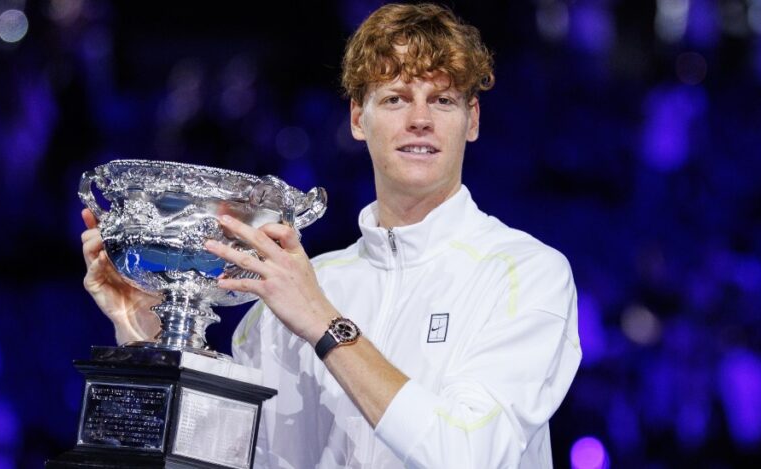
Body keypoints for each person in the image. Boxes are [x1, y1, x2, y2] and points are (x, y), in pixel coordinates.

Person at [80, 3, 581, 468]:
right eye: (396, 98)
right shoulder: (291, 292)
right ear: (357, 119)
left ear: (471, 120)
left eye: (443, 100)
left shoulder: (526, 275)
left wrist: (324, 322)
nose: (420, 120)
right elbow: (220, 454)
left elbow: (469, 454)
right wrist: (148, 330)